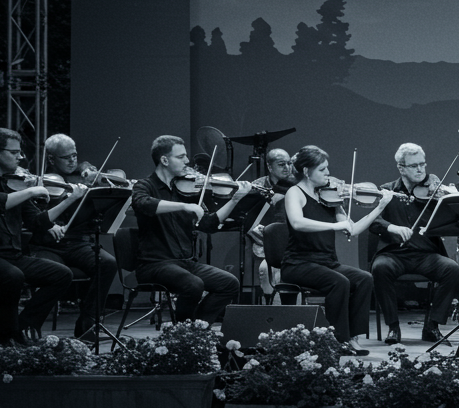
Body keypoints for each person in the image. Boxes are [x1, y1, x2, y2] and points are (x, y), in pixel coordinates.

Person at [0, 128, 83, 346]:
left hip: (11, 256)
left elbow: (38, 222)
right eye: (15, 153)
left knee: (62, 274)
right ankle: (8, 335)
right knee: (12, 276)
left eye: (20, 153)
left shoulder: (15, 182)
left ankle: (22, 327)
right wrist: (32, 191)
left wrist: (69, 199)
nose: (20, 158)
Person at [130, 135, 250, 324]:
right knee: (193, 284)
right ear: (164, 160)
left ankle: (196, 328)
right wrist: (183, 206)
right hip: (154, 264)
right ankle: (182, 333)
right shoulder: (145, 186)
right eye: (181, 157)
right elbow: (142, 204)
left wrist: (234, 200)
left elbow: (209, 224)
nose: (187, 161)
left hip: (185, 263)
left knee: (229, 283)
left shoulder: (185, 190)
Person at [281, 145, 389, 351]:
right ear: (306, 172)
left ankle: (353, 337)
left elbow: (353, 229)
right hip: (298, 263)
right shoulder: (294, 193)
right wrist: (334, 225)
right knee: (339, 282)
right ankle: (335, 339)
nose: (328, 174)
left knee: (364, 278)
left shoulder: (329, 197)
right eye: (322, 169)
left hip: (326, 262)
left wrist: (380, 207)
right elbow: (297, 222)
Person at [365, 143, 459, 344]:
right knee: (380, 268)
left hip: (426, 255)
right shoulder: (387, 190)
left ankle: (432, 326)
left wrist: (450, 199)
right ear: (401, 168)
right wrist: (392, 227)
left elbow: (454, 220)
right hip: (394, 255)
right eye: (414, 166)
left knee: (452, 269)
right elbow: (373, 221)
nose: (420, 170)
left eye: (422, 164)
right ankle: (393, 327)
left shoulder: (434, 192)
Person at [34, 133, 118, 339]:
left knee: (107, 263)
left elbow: (84, 165)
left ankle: (88, 323)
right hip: (49, 245)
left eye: (75, 155)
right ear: (52, 159)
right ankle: (30, 326)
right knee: (55, 273)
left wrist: (86, 168)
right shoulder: (43, 182)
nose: (73, 160)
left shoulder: (81, 174)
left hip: (79, 243)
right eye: (66, 157)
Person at [248, 148, 295, 298]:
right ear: (269, 167)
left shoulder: (296, 185)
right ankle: (270, 307)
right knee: (268, 272)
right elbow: (250, 222)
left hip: (292, 244)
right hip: (264, 244)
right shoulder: (257, 186)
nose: (287, 168)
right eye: (282, 164)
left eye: (289, 163)